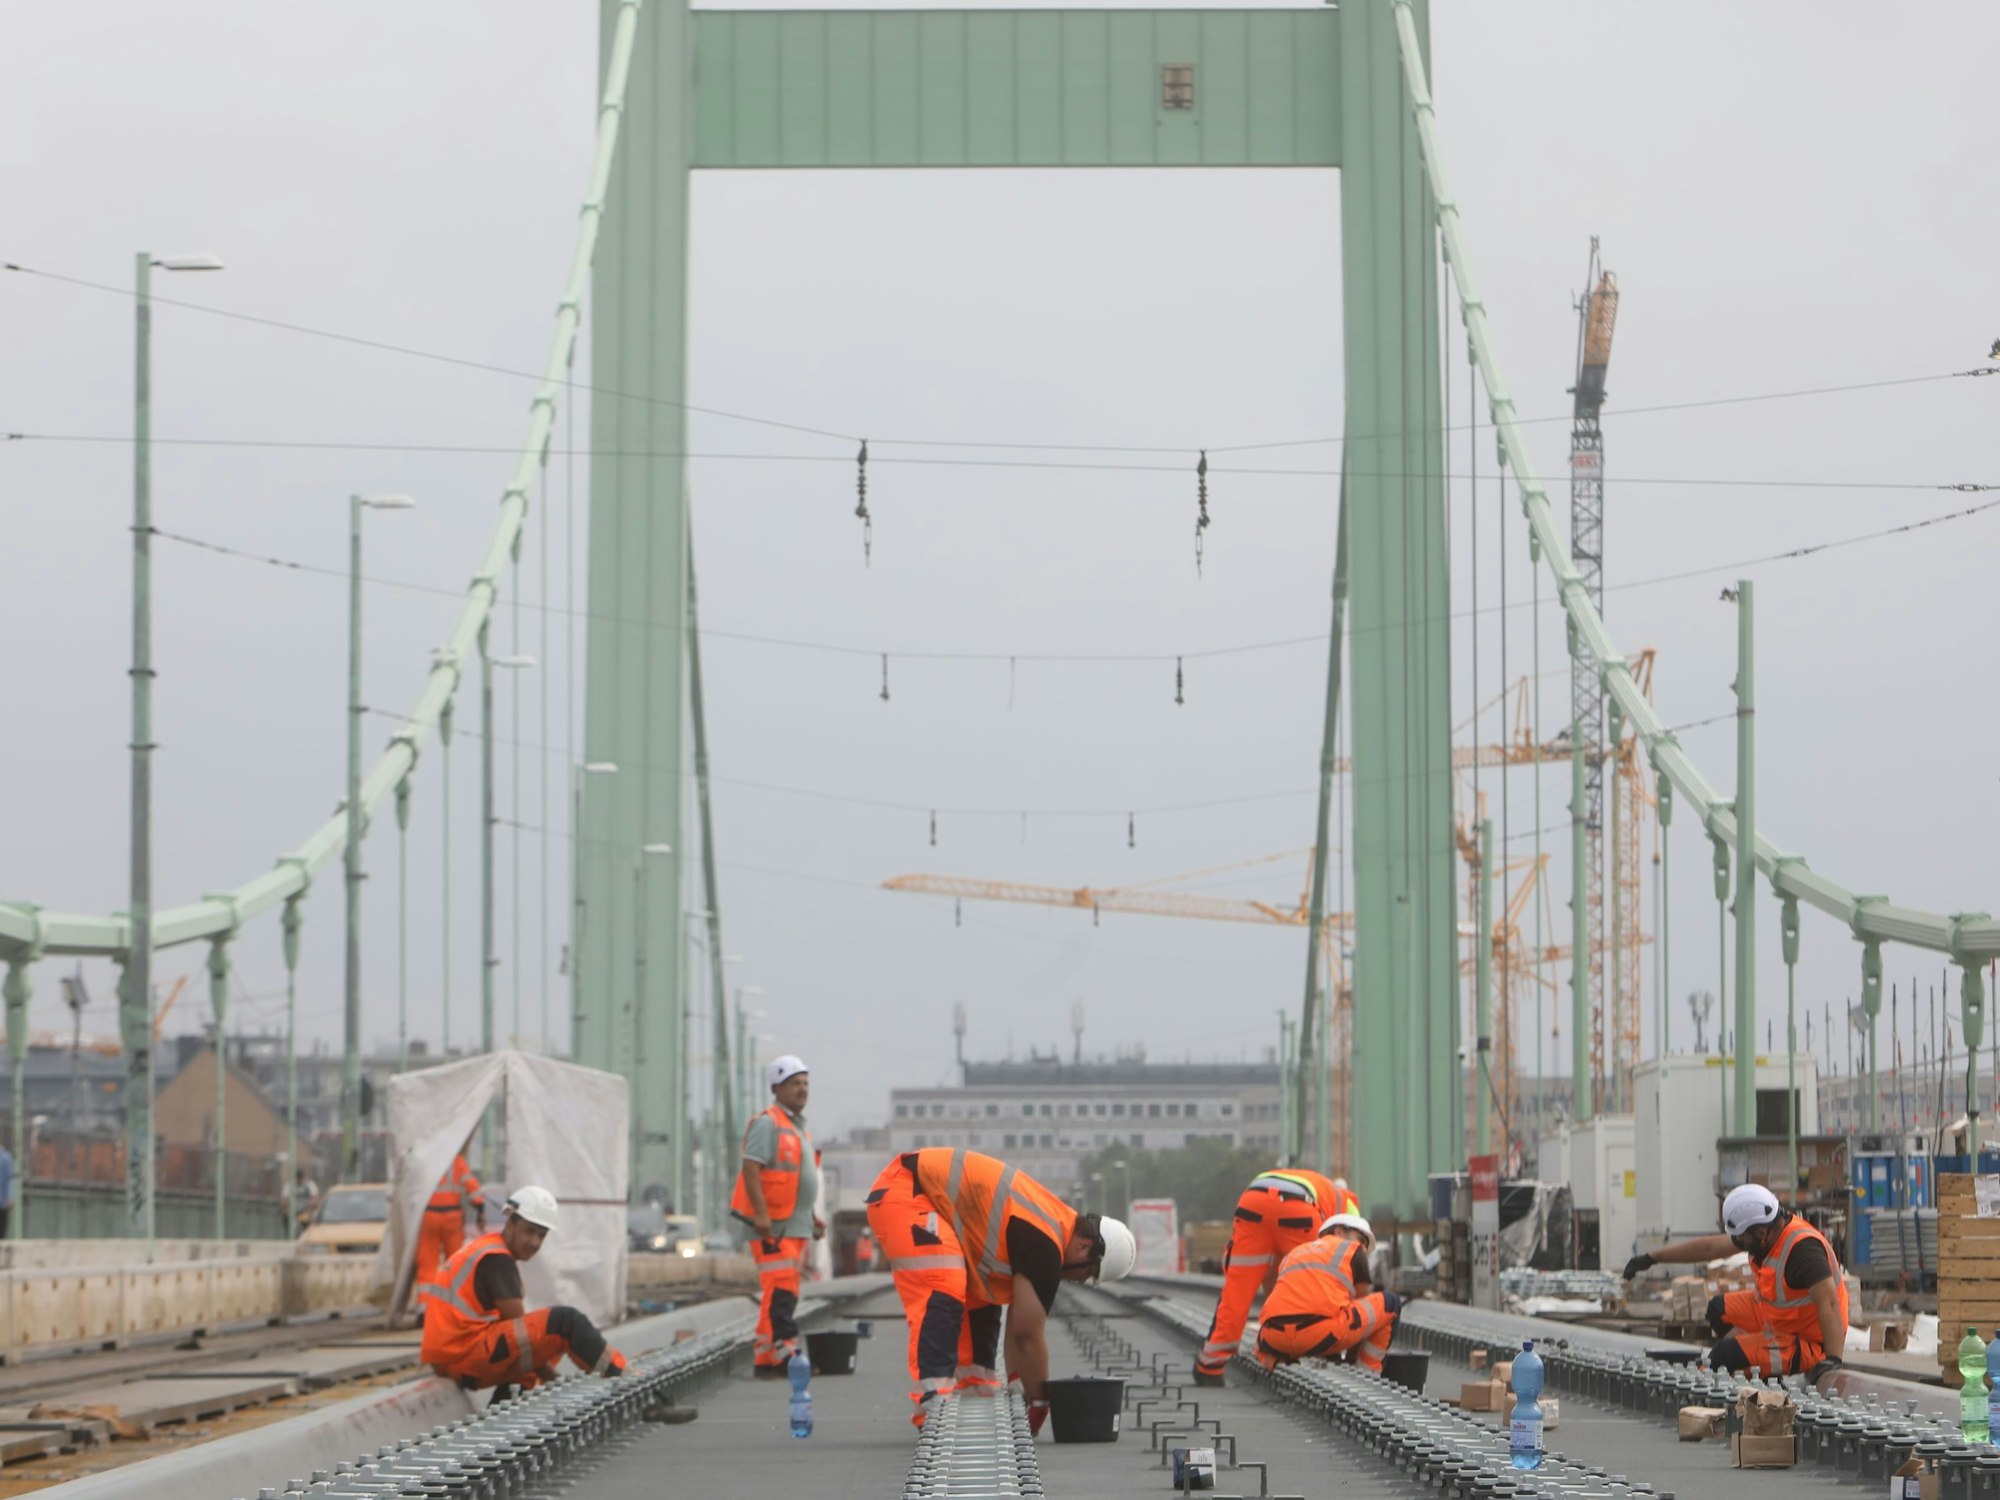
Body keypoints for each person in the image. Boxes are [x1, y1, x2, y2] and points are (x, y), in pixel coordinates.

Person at [865, 1147, 1137, 1431]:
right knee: (942, 1284)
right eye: (1090, 1272)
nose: (1081, 1281)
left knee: (984, 1292)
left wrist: (1018, 1381)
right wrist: (1040, 1403)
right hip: (908, 1192)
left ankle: (975, 1385)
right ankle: (933, 1403)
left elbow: (1019, 1322)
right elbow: (1026, 1336)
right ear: (1085, 1246)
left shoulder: (1052, 1227)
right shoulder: (1047, 1245)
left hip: (920, 1193)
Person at [1622, 1182, 1848, 1383]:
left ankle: (1747, 1366)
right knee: (1718, 1310)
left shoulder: (1803, 1251)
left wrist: (1832, 1360)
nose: (1738, 1241)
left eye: (1741, 1237)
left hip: (1808, 1342)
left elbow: (1829, 1303)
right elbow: (1709, 1248)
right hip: (1778, 1317)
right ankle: (1757, 1367)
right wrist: (1652, 1258)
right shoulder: (1765, 1233)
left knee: (1725, 1355)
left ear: (1761, 1233)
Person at [419, 1186, 628, 1391]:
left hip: (454, 1358)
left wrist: (549, 1378)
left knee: (529, 1360)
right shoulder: (497, 1259)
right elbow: (524, 1336)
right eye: (529, 1231)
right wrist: (555, 1381)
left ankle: (503, 1411)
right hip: (463, 1357)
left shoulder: (487, 1249)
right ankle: (622, 1378)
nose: (534, 1242)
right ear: (510, 1224)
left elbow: (521, 1341)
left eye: (541, 1235)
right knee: (566, 1322)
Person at [1195, 1167, 1352, 1386]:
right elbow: (1347, 1266)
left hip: (1253, 1202)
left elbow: (1274, 1280)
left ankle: (1209, 1366)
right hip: (1298, 1210)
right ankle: (1316, 1350)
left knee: (1237, 1293)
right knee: (1318, 1286)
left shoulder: (1316, 1183)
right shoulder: (1349, 1209)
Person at [729, 1054, 825, 1376]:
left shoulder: (798, 1129)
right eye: (794, 1083)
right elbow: (751, 1167)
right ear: (776, 1088)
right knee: (782, 1289)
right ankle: (786, 1352)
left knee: (782, 1290)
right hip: (772, 1225)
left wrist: (811, 1218)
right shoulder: (767, 1123)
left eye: (805, 1083)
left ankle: (766, 1357)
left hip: (794, 1225)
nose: (802, 1089)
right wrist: (760, 1214)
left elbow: (797, 1180)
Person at [1254, 1213, 1401, 1373]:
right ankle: (1366, 1371)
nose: (1363, 1249)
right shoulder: (1352, 1250)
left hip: (1272, 1339)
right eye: (1360, 1240)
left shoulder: (1294, 1253)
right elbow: (1363, 1311)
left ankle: (1273, 1359)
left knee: (1329, 1315)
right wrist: (1351, 1356)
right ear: (1338, 1232)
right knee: (1390, 1304)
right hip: (1318, 1336)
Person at [414, 1145, 486, 1316]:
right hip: (453, 1217)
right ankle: (453, 1306)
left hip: (429, 1216)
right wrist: (480, 1210)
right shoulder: (457, 1162)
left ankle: (424, 1307)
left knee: (427, 1264)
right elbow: (472, 1188)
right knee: (454, 1263)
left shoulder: (427, 1161)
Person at [0, 1140, 14, 1240]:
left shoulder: (5, 1158)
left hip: (2, 1201)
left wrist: (9, 1197)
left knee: (2, 1227)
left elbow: (9, 1180)